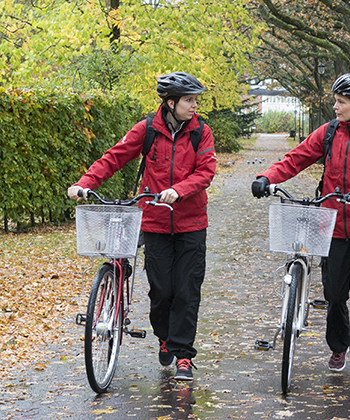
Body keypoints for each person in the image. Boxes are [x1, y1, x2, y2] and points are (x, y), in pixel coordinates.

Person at [251, 73, 350, 385]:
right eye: (335, 101)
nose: (335, 107)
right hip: (333, 225)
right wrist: (268, 177)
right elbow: (295, 159)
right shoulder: (329, 133)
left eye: (341, 102)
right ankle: (338, 347)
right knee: (335, 294)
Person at [68, 71, 217, 381]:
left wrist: (179, 190)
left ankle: (184, 357)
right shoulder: (147, 129)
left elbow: (206, 172)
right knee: (161, 292)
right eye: (188, 101)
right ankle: (165, 338)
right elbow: (114, 157)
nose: (194, 106)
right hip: (155, 223)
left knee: (187, 291)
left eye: (194, 100)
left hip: (191, 223)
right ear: (171, 102)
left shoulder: (201, 132)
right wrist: (84, 184)